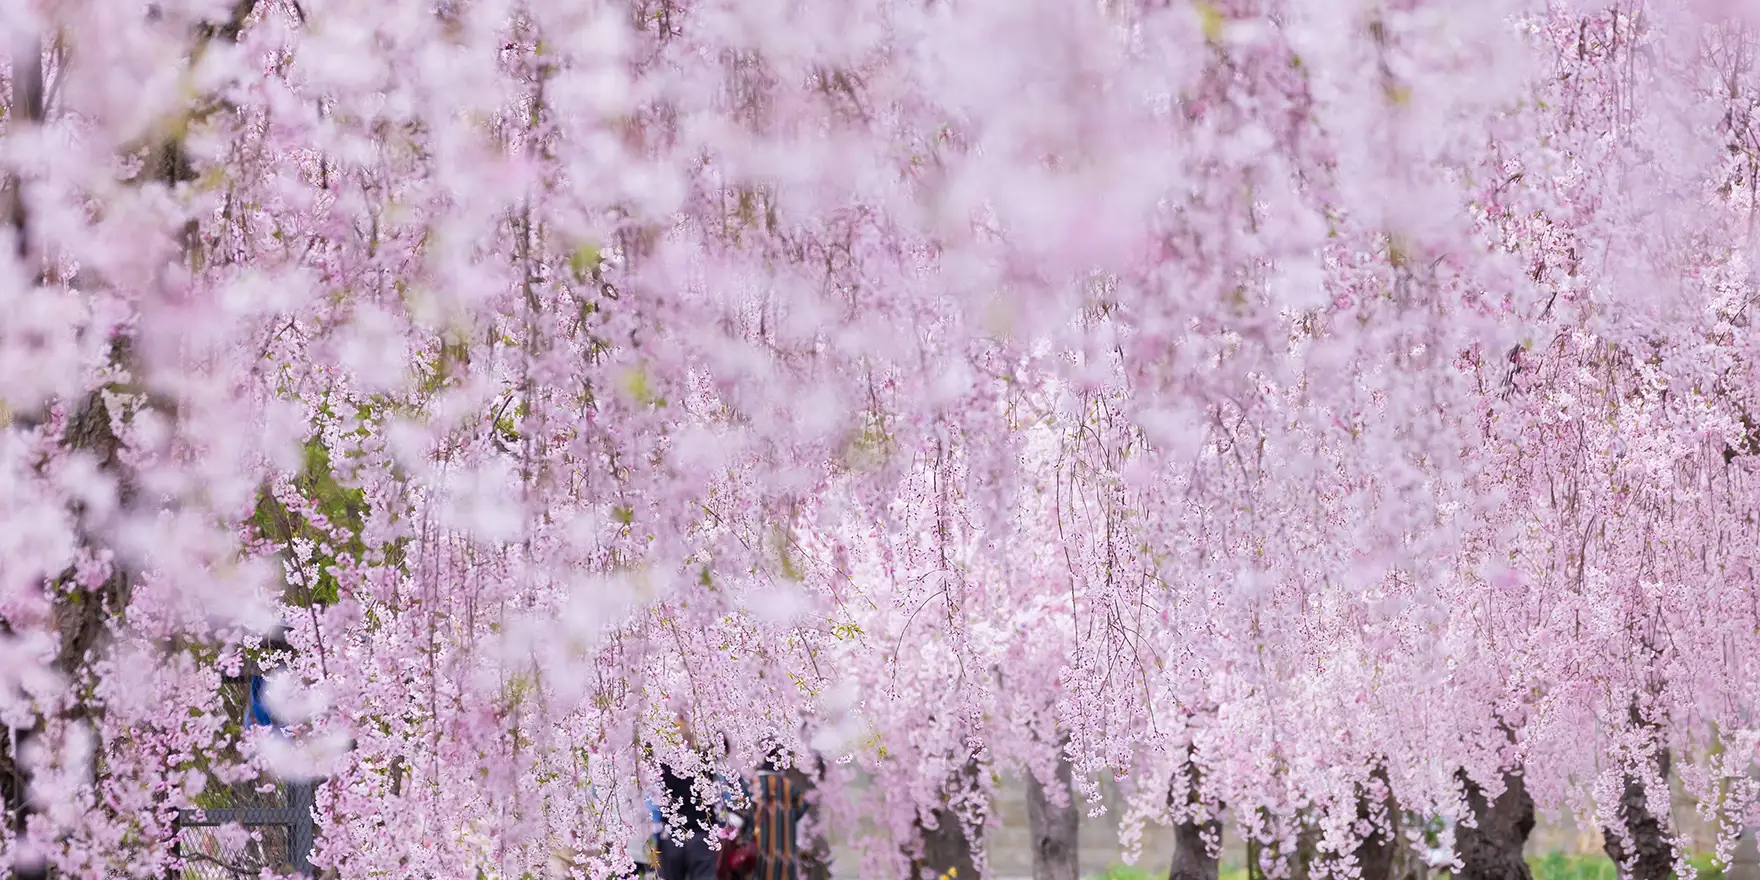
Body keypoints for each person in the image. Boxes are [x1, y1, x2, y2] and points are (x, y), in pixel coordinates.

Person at [749, 746, 808, 880]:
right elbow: (800, 809)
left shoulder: (753, 783)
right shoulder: (788, 785)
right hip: (784, 849)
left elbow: (747, 813)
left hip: (760, 848)